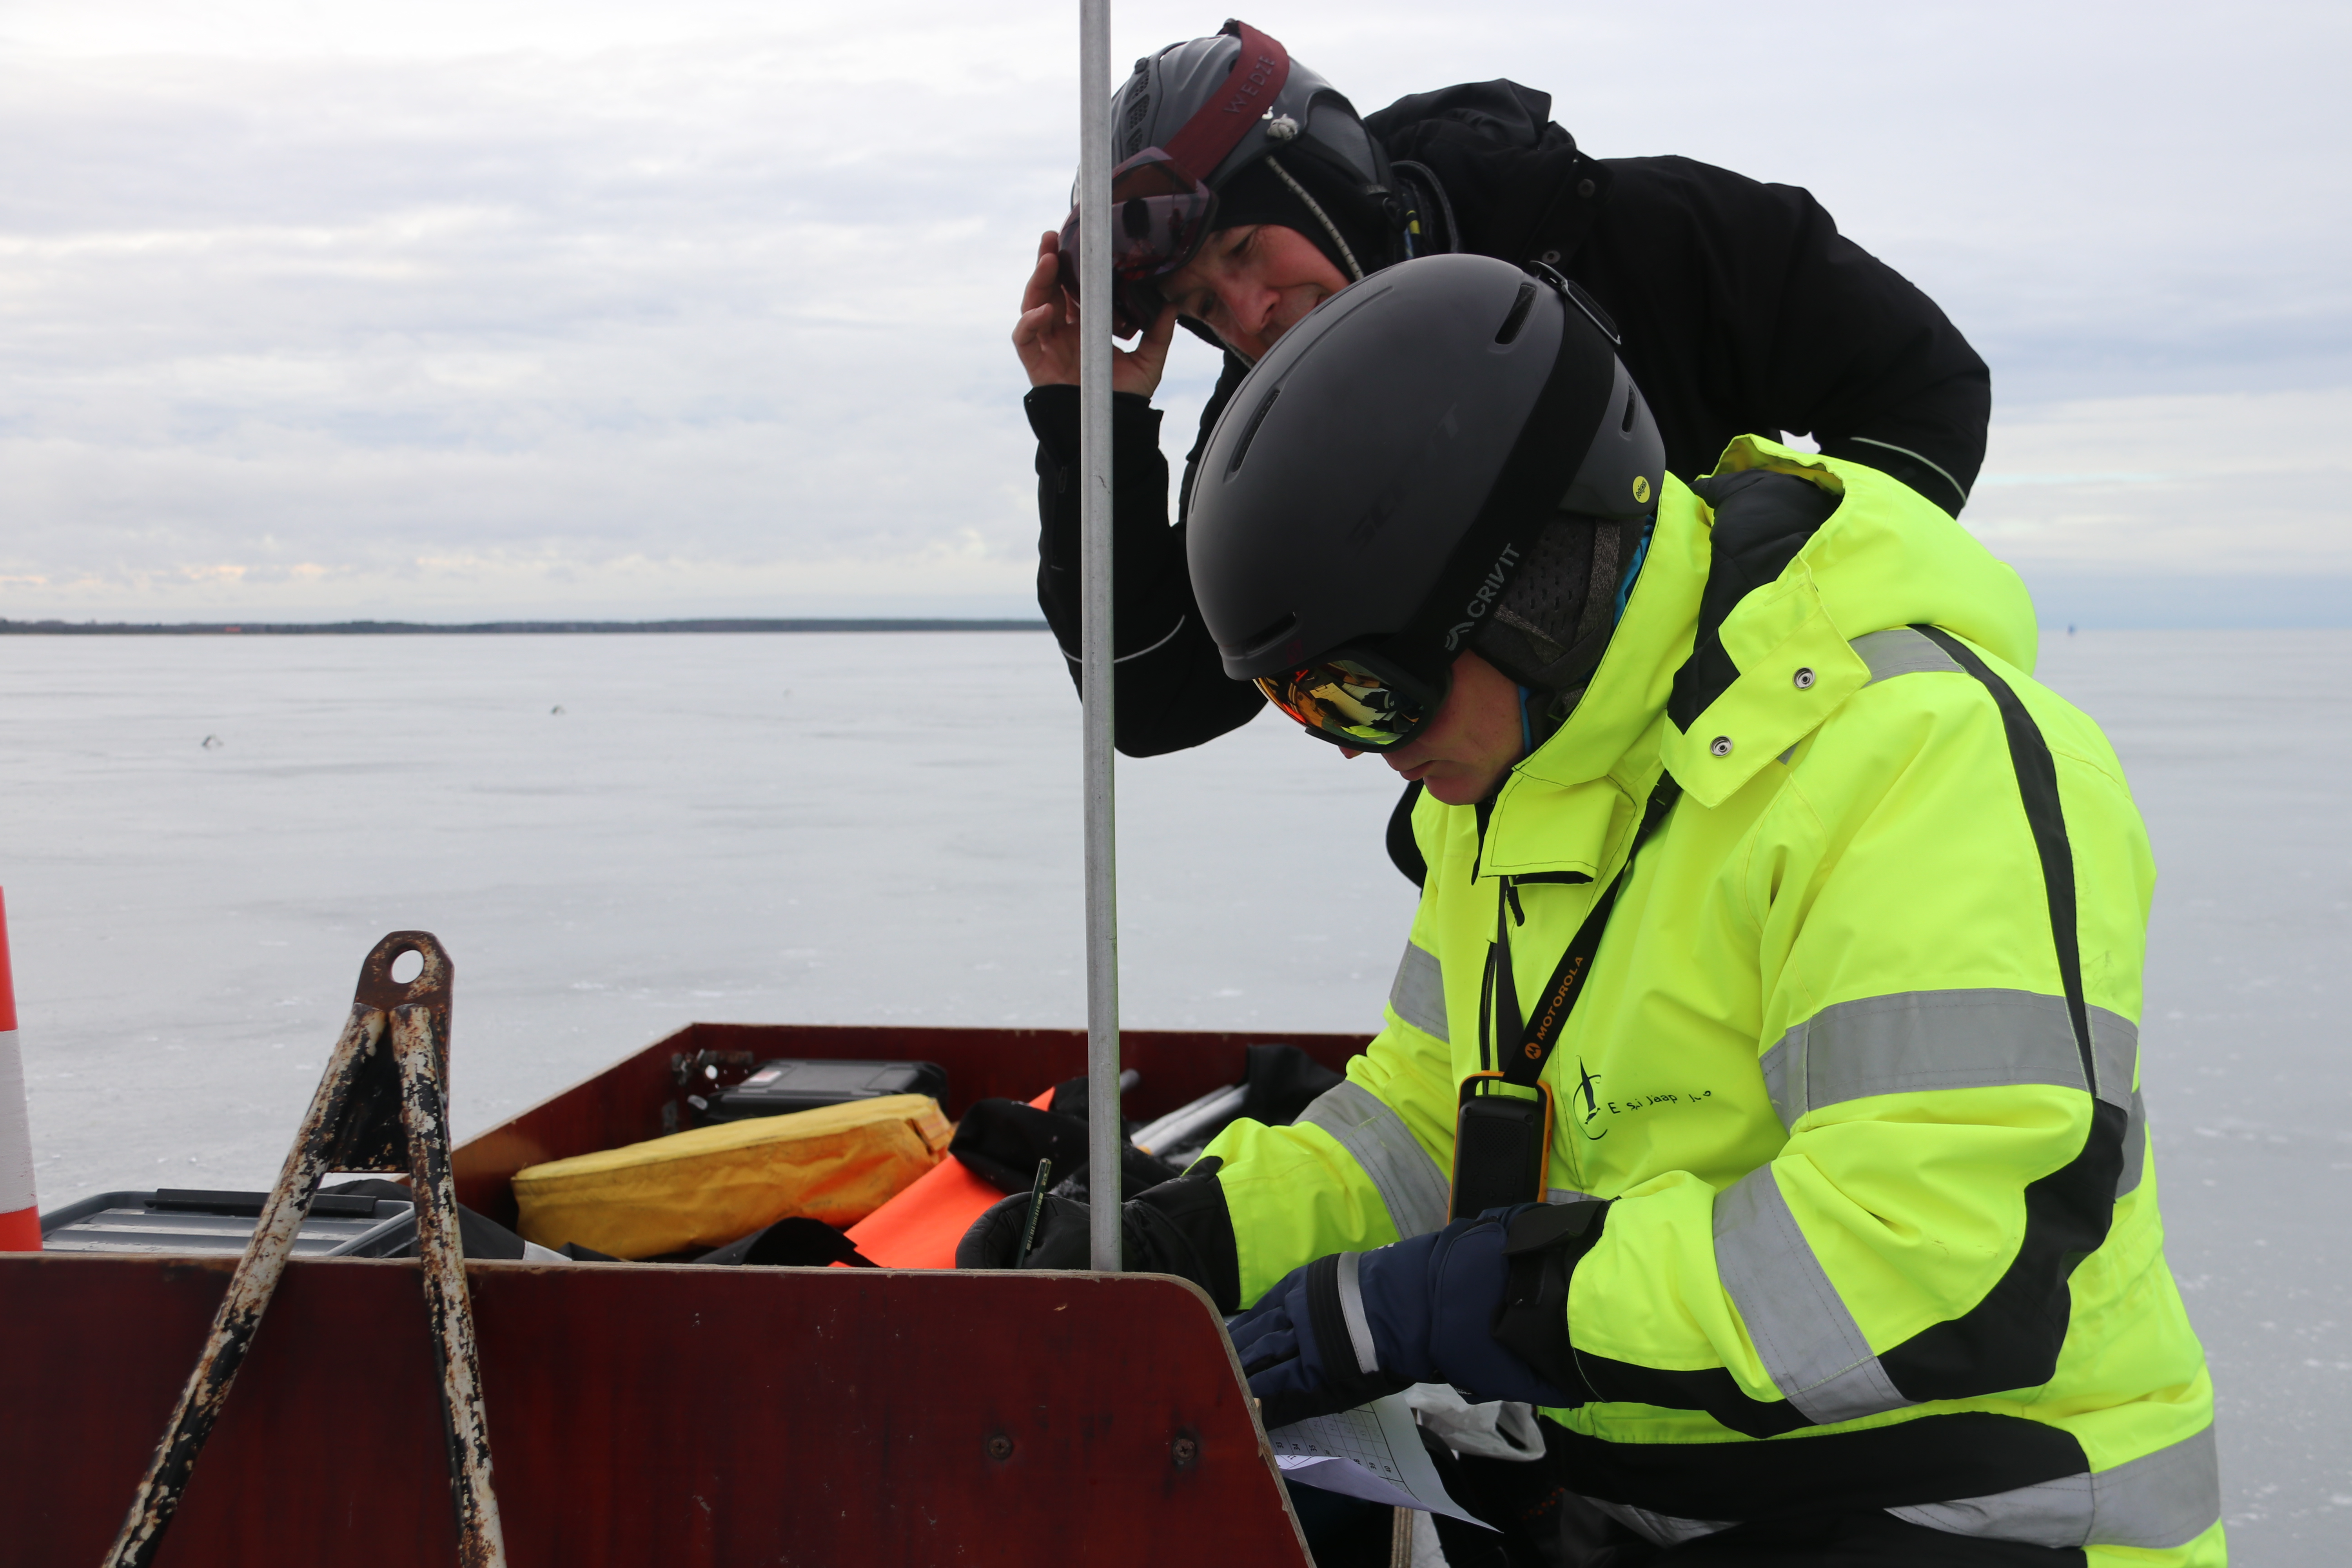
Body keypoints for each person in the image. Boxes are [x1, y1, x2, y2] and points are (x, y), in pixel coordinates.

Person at [971, 254, 2221, 1565]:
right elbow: (1425, 1119)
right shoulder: (1510, 779)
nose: (1353, 749)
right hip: (1653, 1506)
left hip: (1973, 1515)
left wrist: (1485, 1303)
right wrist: (1193, 1236)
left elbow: (1933, 1261)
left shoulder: (1917, 763)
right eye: (1304, 708)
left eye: (1363, 693)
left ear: (1534, 594)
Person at [1019, 20, 1994, 881]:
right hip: (1528, 874)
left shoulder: (1638, 231)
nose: (1249, 314)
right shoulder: (1269, 418)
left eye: (1242, 252)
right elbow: (1156, 698)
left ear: (1316, 178)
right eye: (1199, 305)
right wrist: (1088, 423)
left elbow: (1924, 387)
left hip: (1771, 798)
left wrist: (1761, 627)